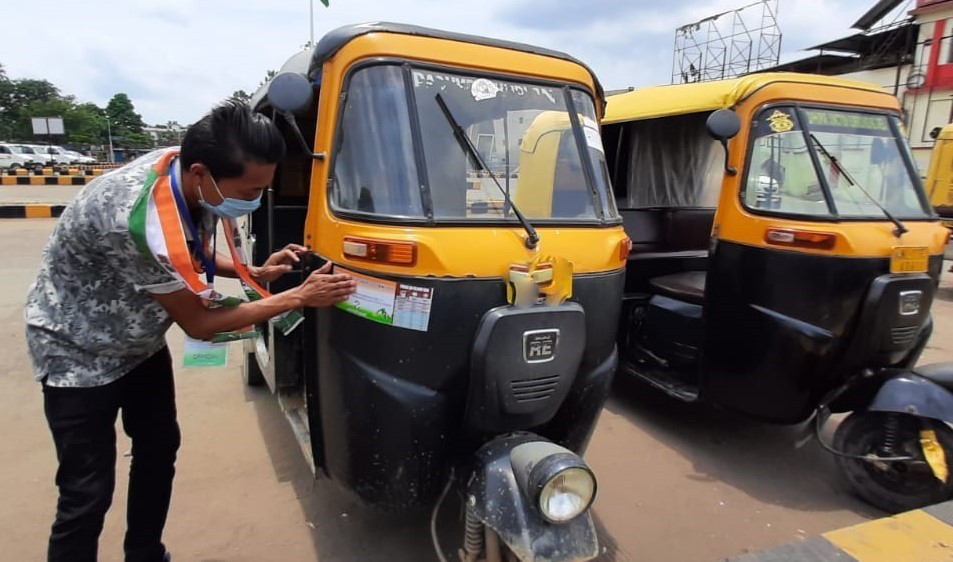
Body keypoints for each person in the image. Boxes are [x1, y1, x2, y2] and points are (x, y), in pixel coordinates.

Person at [24, 100, 356, 562]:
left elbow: (189, 253)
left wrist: (254, 269)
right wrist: (298, 297)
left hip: (138, 344)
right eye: (253, 188)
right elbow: (198, 321)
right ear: (203, 173)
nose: (258, 198)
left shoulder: (187, 178)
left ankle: (144, 553)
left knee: (159, 449)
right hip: (78, 352)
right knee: (86, 490)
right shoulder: (130, 217)